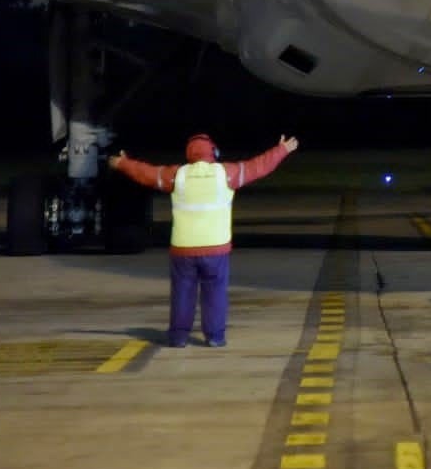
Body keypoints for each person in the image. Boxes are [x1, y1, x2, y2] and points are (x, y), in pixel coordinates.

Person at [109, 134, 299, 348]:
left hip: (183, 250)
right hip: (216, 249)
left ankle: (178, 337)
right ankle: (215, 337)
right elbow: (259, 166)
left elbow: (146, 173)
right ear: (214, 153)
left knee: (182, 294)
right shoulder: (226, 173)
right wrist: (281, 150)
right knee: (215, 294)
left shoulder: (176, 176)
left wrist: (123, 163)